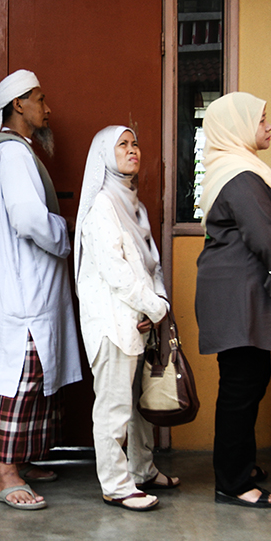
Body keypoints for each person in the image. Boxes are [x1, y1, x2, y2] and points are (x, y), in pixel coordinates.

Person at [0, 69, 83, 509]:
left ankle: (22, 459)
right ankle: (3, 472)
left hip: (27, 288)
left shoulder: (13, 154)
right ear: (18, 105)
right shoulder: (12, 155)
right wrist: (66, 232)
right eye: (40, 99)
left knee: (35, 375)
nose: (47, 109)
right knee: (23, 378)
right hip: (23, 292)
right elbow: (30, 220)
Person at [194, 93, 271, 509]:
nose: (268, 127)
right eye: (261, 120)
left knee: (250, 379)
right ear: (237, 126)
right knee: (242, 384)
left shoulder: (238, 169)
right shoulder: (239, 175)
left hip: (240, 289)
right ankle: (232, 481)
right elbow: (264, 234)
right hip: (237, 291)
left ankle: (238, 463)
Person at [74, 125, 176, 512]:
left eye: (135, 143)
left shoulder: (134, 204)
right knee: (114, 406)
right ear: (104, 154)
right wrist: (153, 307)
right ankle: (116, 484)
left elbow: (151, 264)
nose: (133, 150)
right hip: (113, 323)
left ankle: (143, 469)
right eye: (122, 145)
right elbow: (116, 273)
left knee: (138, 407)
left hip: (139, 318)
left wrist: (157, 301)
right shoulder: (102, 206)